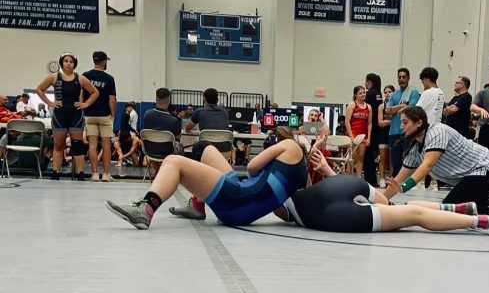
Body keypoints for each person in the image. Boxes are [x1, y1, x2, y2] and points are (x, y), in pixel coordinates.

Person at [274, 151, 489, 233]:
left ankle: (479, 221)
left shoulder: (277, 197)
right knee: (400, 208)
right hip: (342, 185)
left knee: (413, 215)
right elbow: (313, 186)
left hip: (335, 211)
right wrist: (325, 168)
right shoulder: (298, 181)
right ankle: (457, 209)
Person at [105, 138, 308, 229]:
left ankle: (146, 208)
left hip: (238, 199)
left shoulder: (289, 145)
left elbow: (252, 167)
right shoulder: (299, 175)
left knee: (173, 161)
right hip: (244, 204)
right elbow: (281, 212)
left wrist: (268, 161)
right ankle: (197, 205)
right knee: (206, 149)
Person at [36, 52, 99, 180]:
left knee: (77, 145)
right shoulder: (54, 77)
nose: (68, 63)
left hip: (75, 115)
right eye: (66, 61)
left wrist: (86, 104)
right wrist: (49, 103)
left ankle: (80, 173)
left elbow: (95, 92)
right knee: (58, 145)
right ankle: (55, 172)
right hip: (60, 115)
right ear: (62, 63)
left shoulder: (80, 78)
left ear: (74, 64)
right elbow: (39, 89)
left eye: (71, 61)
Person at [82, 51, 117, 182]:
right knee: (106, 145)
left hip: (89, 114)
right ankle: (106, 174)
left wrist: (83, 108)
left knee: (92, 144)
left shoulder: (85, 76)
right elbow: (112, 99)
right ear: (104, 62)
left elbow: (80, 94)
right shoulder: (109, 78)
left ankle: (95, 174)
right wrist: (112, 115)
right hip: (104, 115)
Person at [385, 68, 420, 176]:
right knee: (395, 159)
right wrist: (403, 105)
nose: (401, 79)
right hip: (394, 131)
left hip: (407, 131)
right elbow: (387, 110)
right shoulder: (394, 94)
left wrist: (397, 108)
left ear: (408, 78)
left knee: (408, 158)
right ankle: (396, 181)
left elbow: (411, 108)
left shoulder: (413, 91)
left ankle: (407, 181)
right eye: (399, 77)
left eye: (404, 77)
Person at [345, 86, 371, 178]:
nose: (363, 94)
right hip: (353, 134)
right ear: (356, 95)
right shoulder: (352, 105)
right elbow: (347, 122)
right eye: (360, 93)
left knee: (360, 157)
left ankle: (359, 177)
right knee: (351, 157)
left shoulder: (368, 107)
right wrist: (352, 137)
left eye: (364, 92)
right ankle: (348, 177)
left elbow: (369, 123)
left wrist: (369, 138)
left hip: (363, 136)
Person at [363, 73, 383, 186]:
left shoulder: (369, 94)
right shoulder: (379, 94)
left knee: (367, 155)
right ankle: (373, 179)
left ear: (369, 82)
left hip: (369, 127)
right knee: (372, 154)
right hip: (378, 129)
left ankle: (370, 179)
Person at [377, 85, 394, 187]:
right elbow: (380, 123)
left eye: (390, 91)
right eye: (386, 92)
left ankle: (392, 179)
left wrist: (387, 122)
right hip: (383, 134)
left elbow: (398, 121)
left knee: (392, 158)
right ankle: (382, 179)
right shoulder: (381, 106)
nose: (387, 94)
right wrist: (390, 122)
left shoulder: (395, 105)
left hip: (393, 133)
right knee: (382, 157)